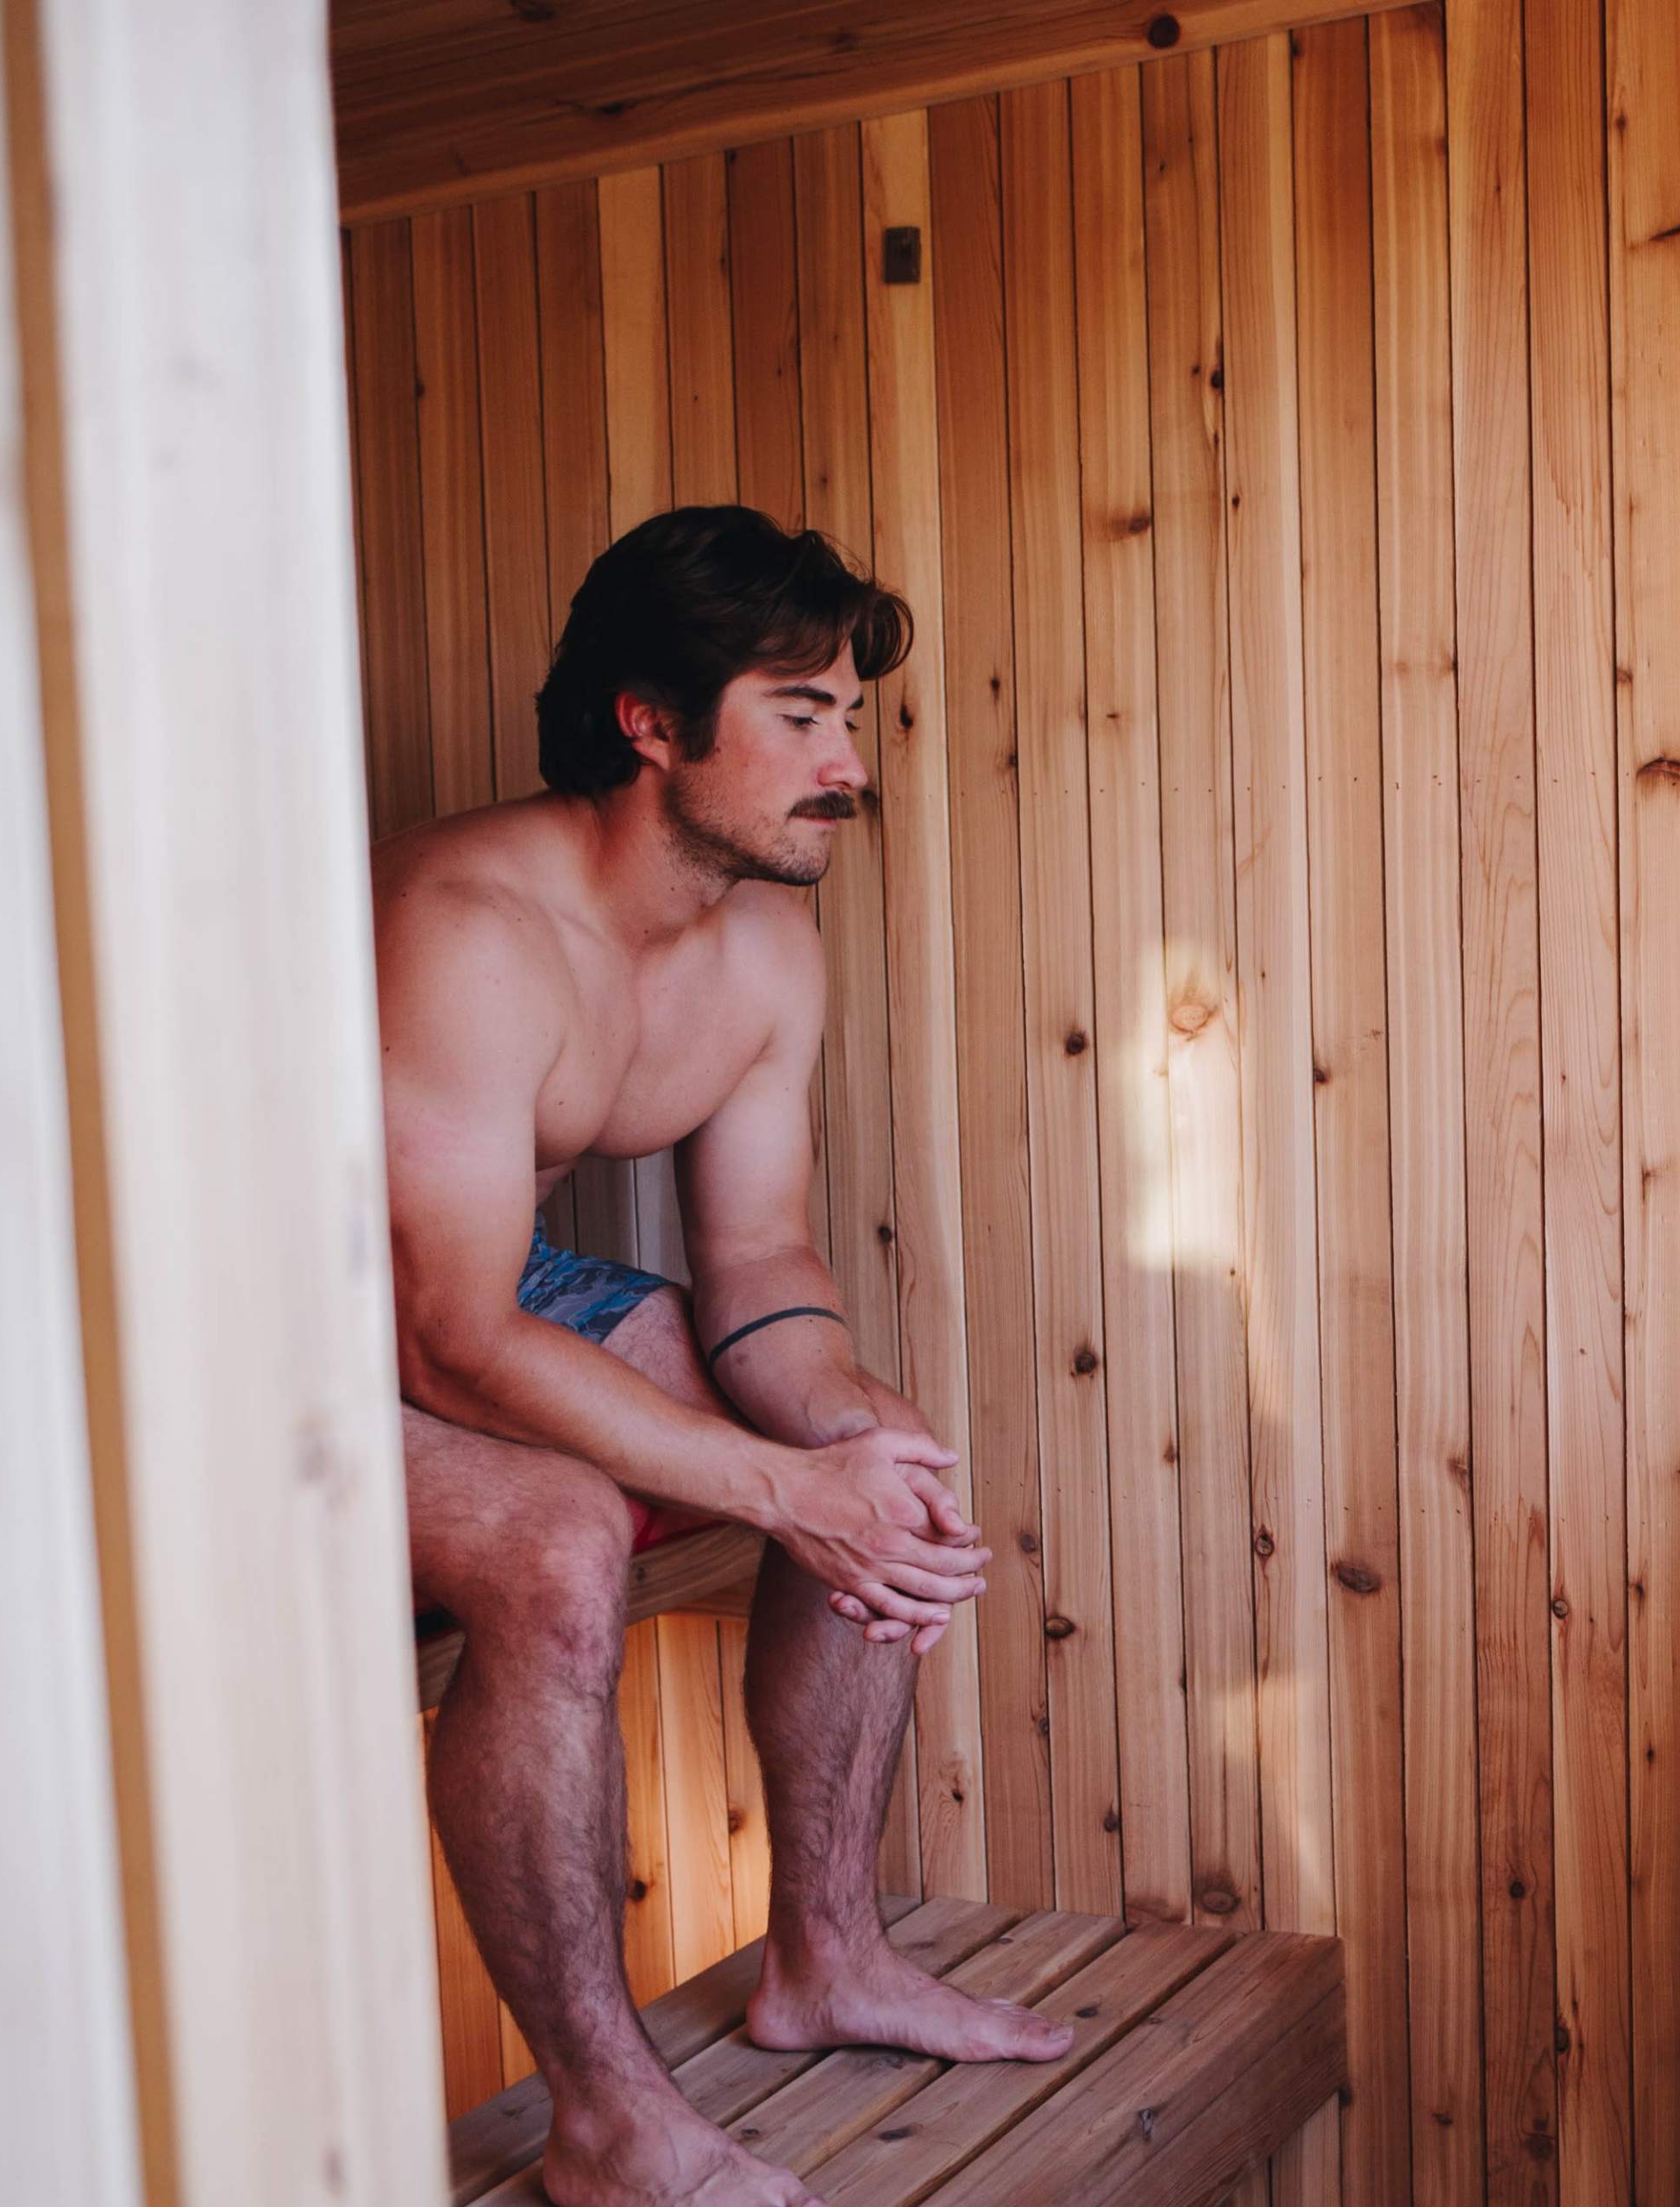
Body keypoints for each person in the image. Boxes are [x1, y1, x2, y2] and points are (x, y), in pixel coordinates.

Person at [373, 505, 1069, 2207]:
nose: (847, 763)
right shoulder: (468, 926)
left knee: (878, 1447)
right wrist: (777, 1483)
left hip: (486, 1276)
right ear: (650, 721)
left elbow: (757, 1259)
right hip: (258, 1329)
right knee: (550, 1539)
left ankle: (826, 1955)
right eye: (801, 714)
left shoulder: (766, 941)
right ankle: (606, 2120)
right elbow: (447, 1339)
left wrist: (840, 1440)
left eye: (850, 715)